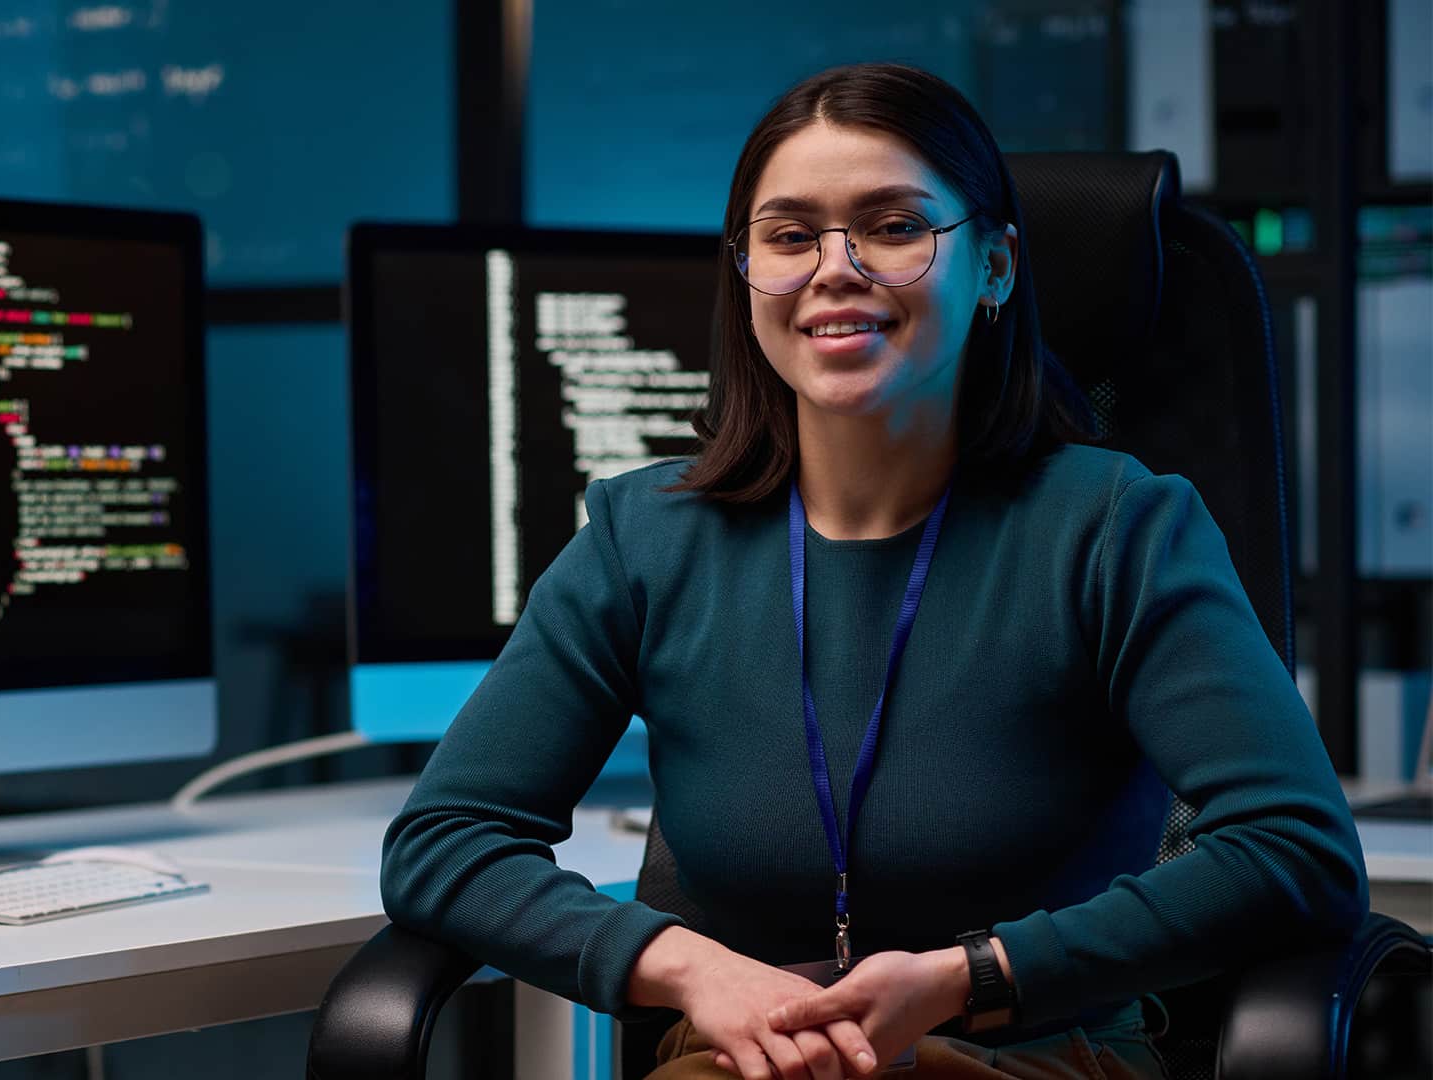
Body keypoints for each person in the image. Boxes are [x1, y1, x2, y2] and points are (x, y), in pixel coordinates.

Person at [380, 62, 1367, 1080]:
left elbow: (1295, 849)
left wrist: (968, 976)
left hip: (1035, 1056)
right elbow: (445, 841)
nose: (833, 267)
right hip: (742, 1064)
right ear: (746, 272)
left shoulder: (1115, 526)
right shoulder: (643, 536)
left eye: (893, 226)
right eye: (791, 235)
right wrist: (685, 969)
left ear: (993, 265)